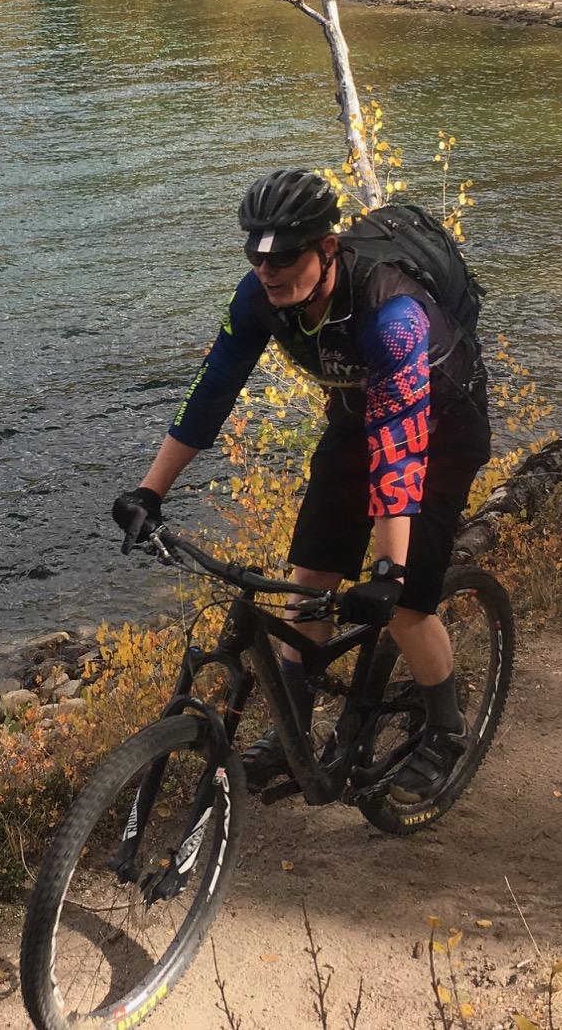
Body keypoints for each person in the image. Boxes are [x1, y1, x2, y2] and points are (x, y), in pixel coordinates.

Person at [112, 169, 491, 806]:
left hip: (441, 427)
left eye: (285, 255)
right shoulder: (259, 298)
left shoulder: (392, 312)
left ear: (327, 249)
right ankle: (292, 730)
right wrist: (149, 492)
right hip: (356, 414)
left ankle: (446, 731)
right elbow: (210, 395)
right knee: (309, 578)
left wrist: (389, 569)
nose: (267, 268)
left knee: (404, 605)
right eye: (255, 254)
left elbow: (400, 450)